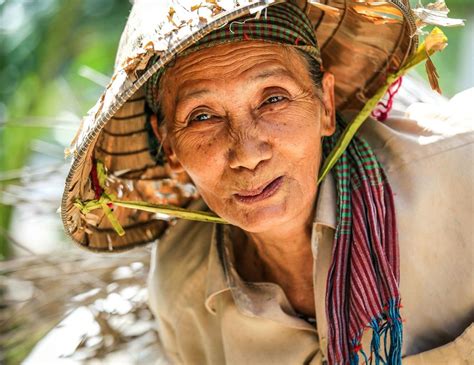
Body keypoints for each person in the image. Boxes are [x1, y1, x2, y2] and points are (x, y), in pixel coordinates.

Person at [61, 1, 473, 364]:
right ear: (169, 145)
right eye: (203, 116)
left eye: (273, 98)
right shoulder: (182, 290)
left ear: (326, 106)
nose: (247, 153)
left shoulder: (459, 170)